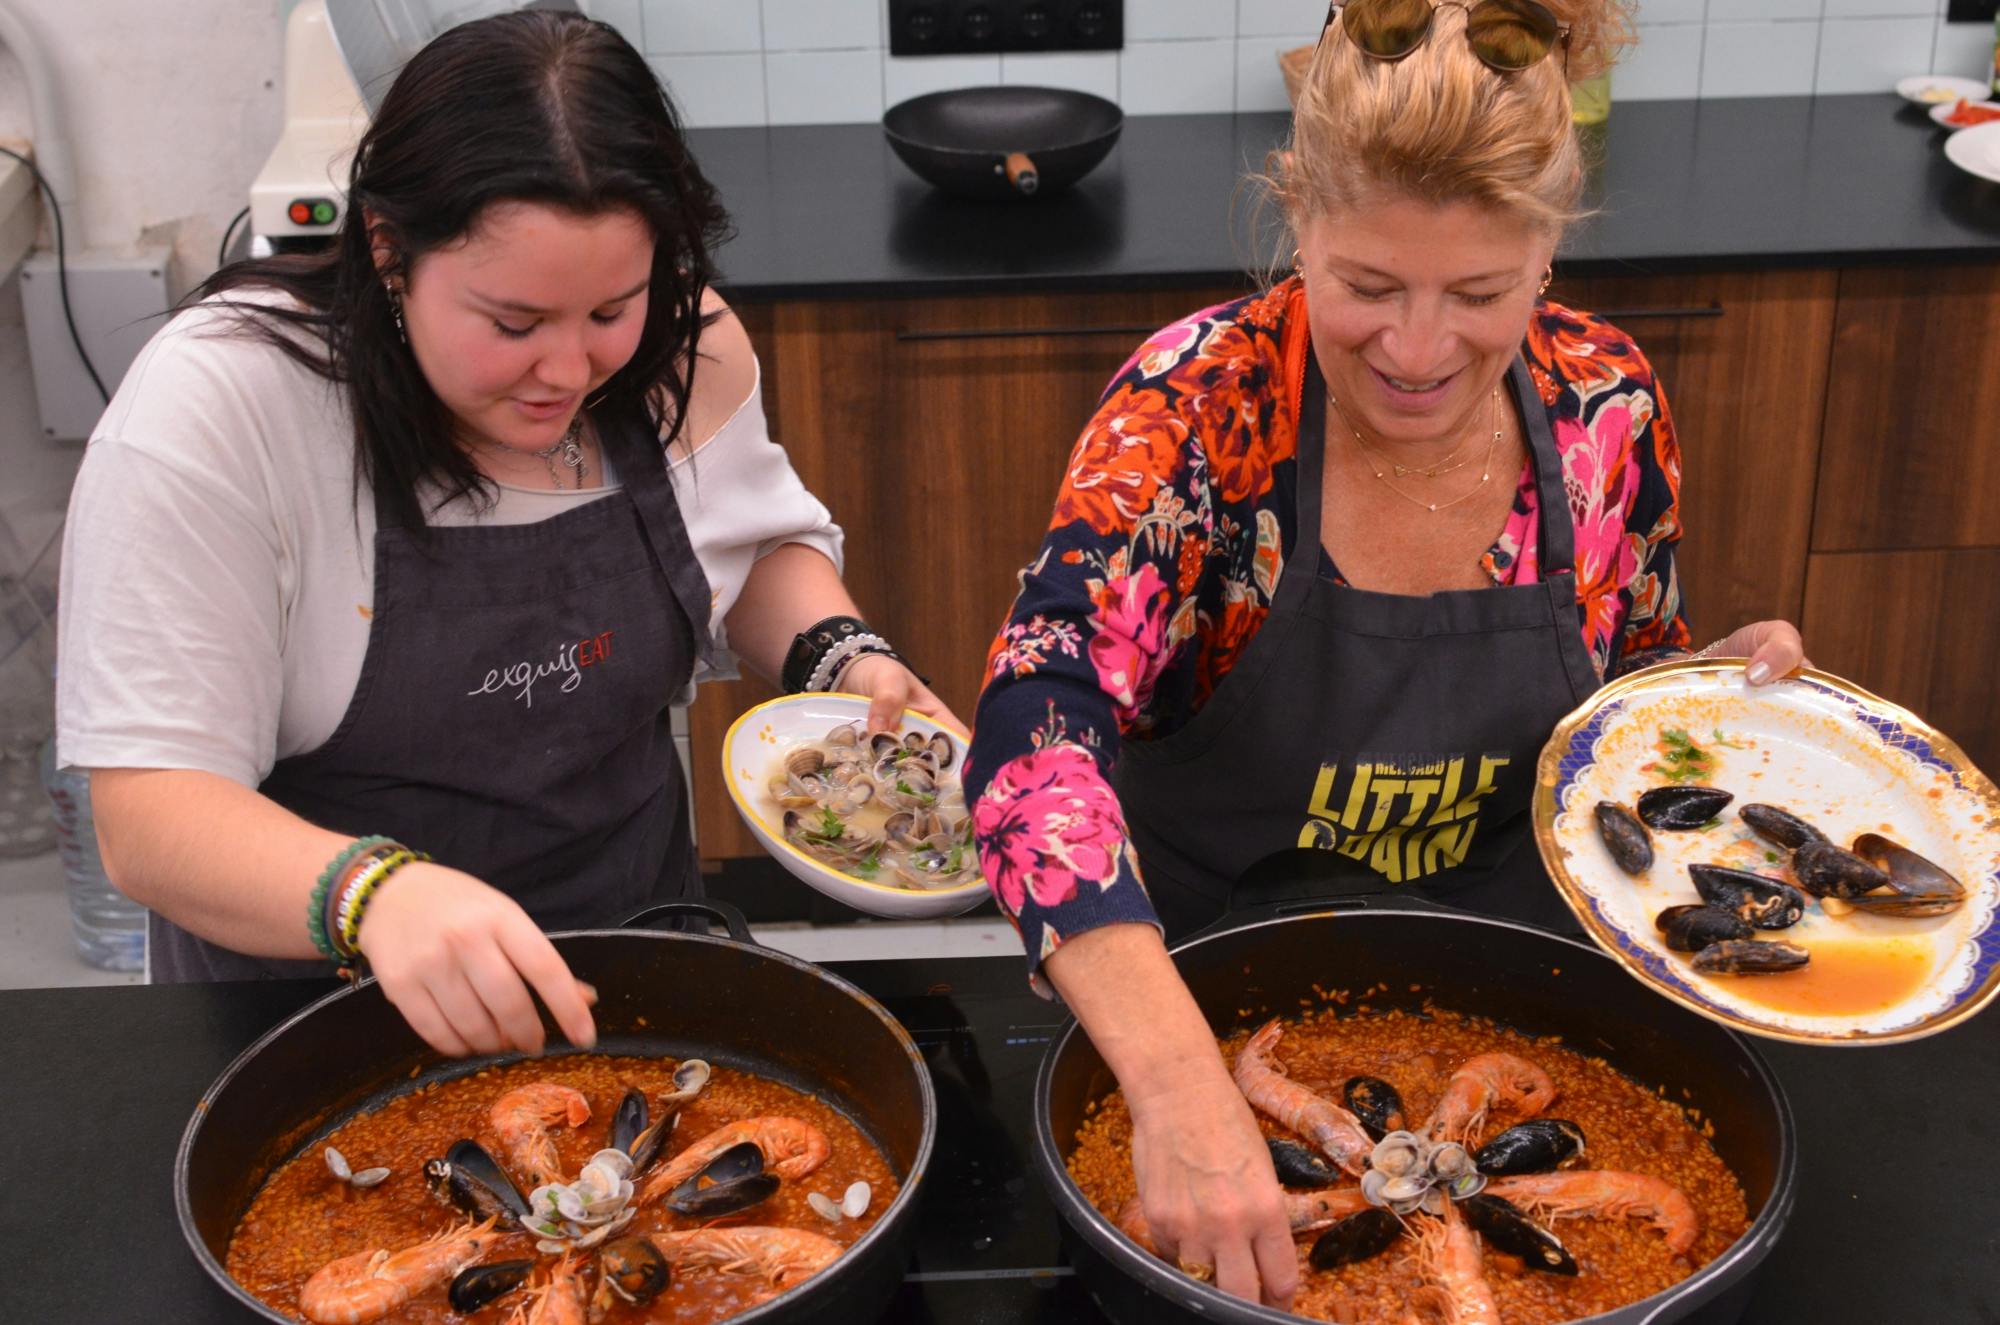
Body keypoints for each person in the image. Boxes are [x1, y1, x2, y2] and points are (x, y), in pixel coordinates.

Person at [964, 0, 1806, 1307]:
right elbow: (1034, 727)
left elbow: (1624, 697)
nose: (1417, 351)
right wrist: (1180, 1081)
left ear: (1547, 250)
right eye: (1365, 288)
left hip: (1537, 1008)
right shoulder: (1198, 410)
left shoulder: (1604, 404)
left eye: (1478, 293)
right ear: (1296, 221)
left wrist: (1704, 700)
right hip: (1201, 1001)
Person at [55, 11, 952, 1056]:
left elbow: (746, 550)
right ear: (388, 249)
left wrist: (843, 661)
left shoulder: (682, 344)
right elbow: (149, 813)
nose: (568, 371)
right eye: (513, 325)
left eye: (610, 310)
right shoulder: (227, 404)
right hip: (317, 1026)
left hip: (634, 972)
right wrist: (375, 894)